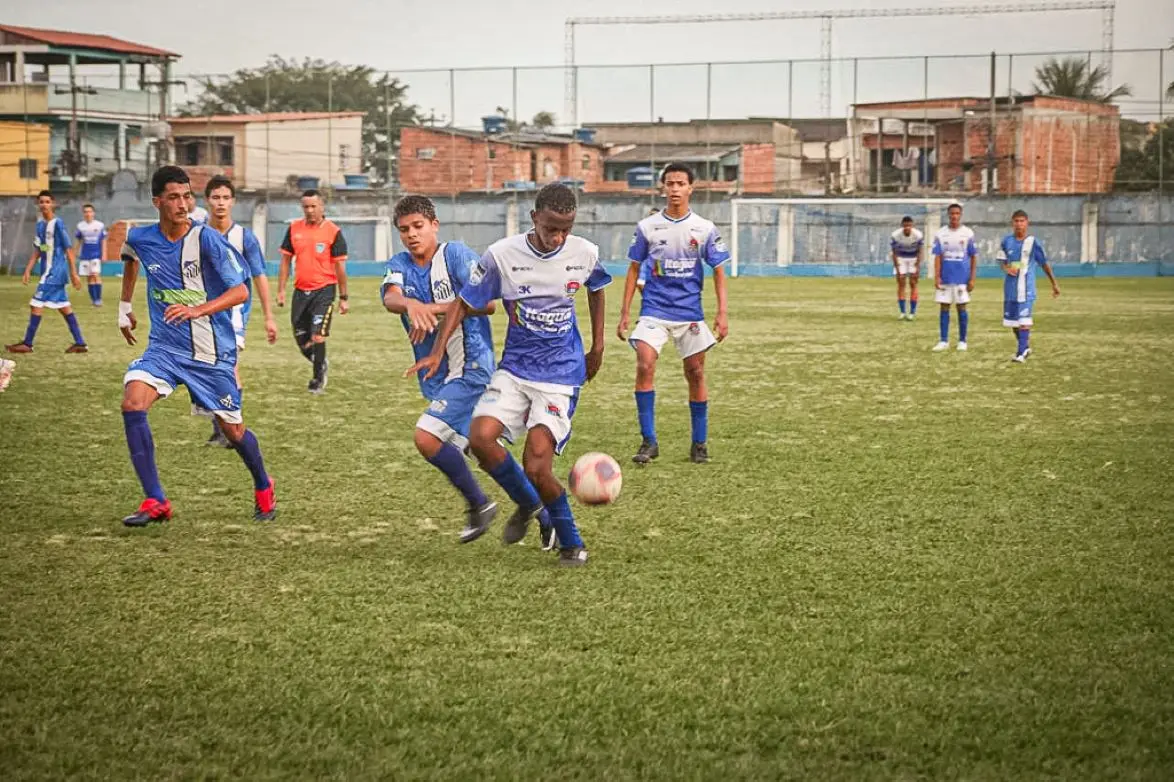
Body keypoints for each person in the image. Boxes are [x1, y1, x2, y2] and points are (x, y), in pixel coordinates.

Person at [407, 183, 611, 567]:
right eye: (552, 228)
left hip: (560, 374)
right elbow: (465, 303)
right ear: (535, 218)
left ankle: (571, 540)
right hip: (515, 369)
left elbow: (597, 289)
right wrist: (436, 353)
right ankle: (532, 505)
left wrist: (597, 347)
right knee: (481, 438)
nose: (559, 237)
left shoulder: (584, 252)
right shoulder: (502, 255)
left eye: (566, 228)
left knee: (537, 465)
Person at [381, 195, 557, 548]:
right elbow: (390, 297)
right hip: (439, 373)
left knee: (426, 437)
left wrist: (428, 308)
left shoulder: (457, 255)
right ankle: (541, 512)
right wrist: (410, 304)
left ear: (435, 225)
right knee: (483, 451)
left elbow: (487, 302)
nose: (412, 235)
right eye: (404, 230)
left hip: (474, 367)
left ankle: (479, 505)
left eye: (418, 226)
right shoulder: (400, 262)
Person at [117, 166, 276, 526]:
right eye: (174, 197)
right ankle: (155, 500)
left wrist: (197, 309)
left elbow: (241, 291)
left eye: (187, 196)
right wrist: (124, 308)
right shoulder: (140, 237)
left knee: (234, 432)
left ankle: (264, 484)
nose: (183, 203)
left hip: (211, 353)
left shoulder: (207, 239)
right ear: (157, 201)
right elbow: (129, 257)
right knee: (132, 403)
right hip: (164, 349)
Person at [616, 162, 729, 465]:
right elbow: (633, 268)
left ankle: (699, 443)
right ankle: (649, 441)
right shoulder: (647, 227)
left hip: (689, 312)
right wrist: (625, 312)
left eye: (681, 183)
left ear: (691, 188)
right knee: (644, 364)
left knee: (695, 372)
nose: (675, 189)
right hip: (653, 310)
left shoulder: (704, 229)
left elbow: (718, 270)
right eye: (670, 183)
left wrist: (722, 313)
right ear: (663, 188)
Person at [201, 175, 278, 447]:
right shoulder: (197, 234)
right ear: (207, 200)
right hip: (203, 311)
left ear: (233, 202)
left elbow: (259, 277)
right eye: (215, 197)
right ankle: (221, 425)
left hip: (233, 314)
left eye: (225, 198)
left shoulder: (244, 238)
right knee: (209, 368)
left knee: (228, 367)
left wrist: (269, 317)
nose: (220, 203)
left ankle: (229, 429)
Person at [277, 190, 349, 393]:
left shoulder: (333, 232)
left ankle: (317, 379)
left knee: (318, 336)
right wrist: (281, 290)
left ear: (322, 207)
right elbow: (285, 261)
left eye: (313, 206)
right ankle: (320, 362)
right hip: (300, 291)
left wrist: (344, 297)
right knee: (301, 338)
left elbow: (340, 268)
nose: (309, 210)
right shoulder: (293, 229)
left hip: (324, 291)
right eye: (306, 207)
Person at [5, 191, 87, 354]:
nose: (44, 205)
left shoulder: (58, 224)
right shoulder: (41, 225)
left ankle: (27, 344)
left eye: (47, 202)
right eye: (41, 202)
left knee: (35, 304)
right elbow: (40, 249)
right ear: (38, 205)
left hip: (55, 272)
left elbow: (68, 249)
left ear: (53, 204)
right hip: (47, 271)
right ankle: (80, 343)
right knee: (64, 307)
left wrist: (74, 273)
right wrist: (28, 270)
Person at [999, 209, 1060, 363]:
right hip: (1011, 289)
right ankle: (1025, 347)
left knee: (1024, 321)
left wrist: (1054, 284)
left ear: (1027, 223)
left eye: (1022, 221)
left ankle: (1021, 353)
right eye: (1016, 221)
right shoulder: (1007, 241)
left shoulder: (1033, 242)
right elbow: (1001, 260)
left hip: (1026, 289)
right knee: (1013, 323)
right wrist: (1006, 268)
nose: (1019, 224)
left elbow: (1044, 264)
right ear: (1012, 223)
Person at [931, 202, 977, 352]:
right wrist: (937, 276)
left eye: (957, 213)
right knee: (944, 307)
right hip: (945, 277)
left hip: (962, 278)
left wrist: (972, 278)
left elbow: (973, 256)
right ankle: (943, 341)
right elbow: (937, 256)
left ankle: (962, 341)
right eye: (952, 213)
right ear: (948, 215)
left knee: (961, 307)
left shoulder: (968, 233)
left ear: (960, 215)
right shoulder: (940, 233)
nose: (954, 216)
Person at [891, 215, 923, 321]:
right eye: (905, 225)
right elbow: (894, 253)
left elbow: (920, 251)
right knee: (901, 283)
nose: (907, 228)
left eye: (909, 225)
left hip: (913, 258)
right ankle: (902, 312)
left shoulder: (918, 235)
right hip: (901, 258)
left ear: (912, 225)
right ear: (902, 226)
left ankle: (912, 313)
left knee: (913, 283)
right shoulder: (895, 235)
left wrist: (917, 267)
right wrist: (898, 268)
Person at [76, 203, 107, 307]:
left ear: (93, 213)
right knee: (89, 277)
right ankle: (93, 299)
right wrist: (76, 252)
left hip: (96, 254)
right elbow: (79, 240)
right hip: (85, 255)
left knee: (95, 275)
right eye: (85, 212)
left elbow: (103, 241)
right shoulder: (80, 226)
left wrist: (104, 254)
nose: (88, 214)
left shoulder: (99, 225)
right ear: (83, 214)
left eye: (89, 211)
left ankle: (98, 299)